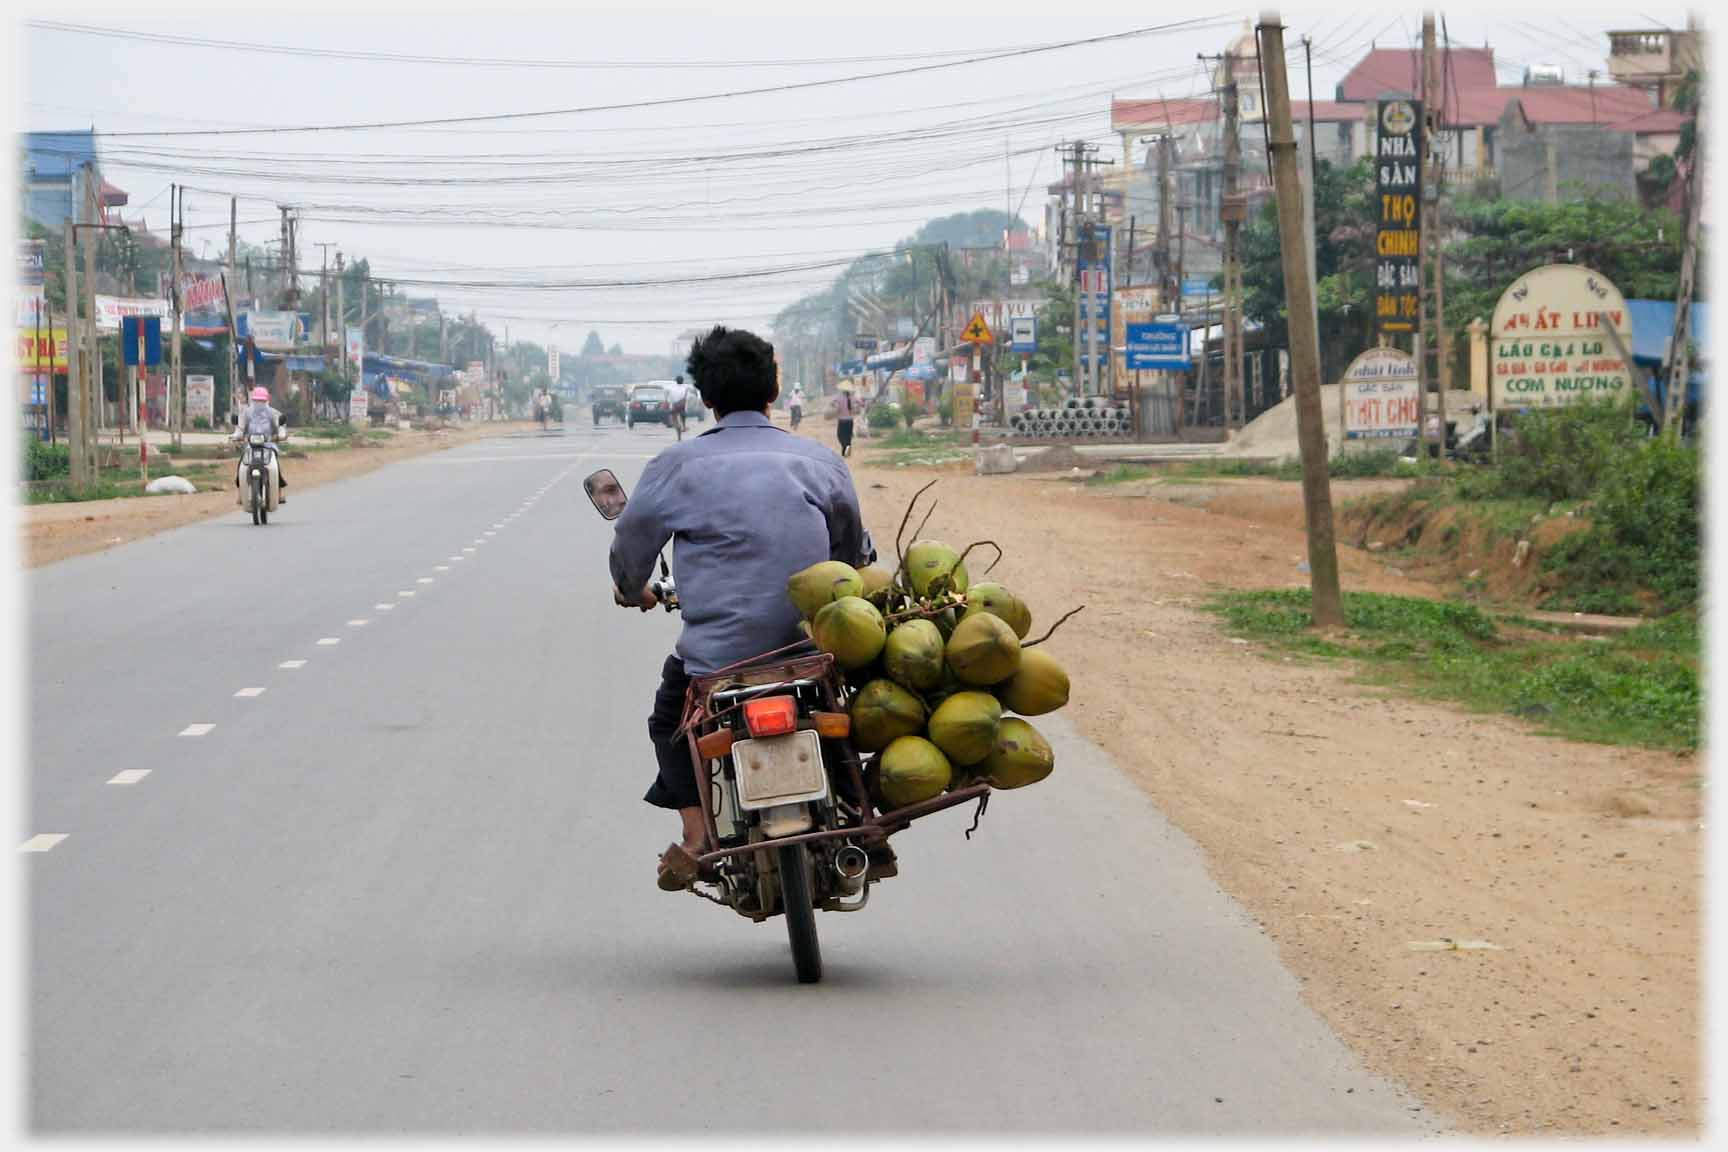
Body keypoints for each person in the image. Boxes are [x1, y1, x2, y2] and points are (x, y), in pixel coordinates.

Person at [608, 326, 874, 891]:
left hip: (717, 663)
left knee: (666, 720)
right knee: (849, 708)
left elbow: (632, 547)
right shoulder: (819, 463)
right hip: (809, 650)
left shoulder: (675, 466)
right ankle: (861, 817)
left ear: (704, 397)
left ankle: (698, 833)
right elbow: (851, 557)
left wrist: (634, 590)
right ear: (773, 390)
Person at [231, 386, 287, 501]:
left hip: (268, 445)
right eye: (256, 400)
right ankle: (241, 493)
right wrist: (237, 435)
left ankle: (279, 491)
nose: (259, 403)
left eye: (261, 400)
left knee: (275, 463)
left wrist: (280, 435)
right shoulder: (246, 413)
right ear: (252, 400)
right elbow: (240, 428)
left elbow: (280, 426)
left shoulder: (273, 413)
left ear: (267, 400)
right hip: (250, 445)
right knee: (242, 463)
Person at [833, 382, 858, 457]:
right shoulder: (853, 397)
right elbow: (860, 403)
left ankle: (844, 449)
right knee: (848, 437)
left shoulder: (839, 397)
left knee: (840, 436)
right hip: (850, 420)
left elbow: (832, 403)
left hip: (842, 420)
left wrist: (834, 405)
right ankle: (847, 453)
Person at [666, 374, 691, 439]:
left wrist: (671, 407)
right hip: (682, 407)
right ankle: (684, 426)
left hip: (674, 406)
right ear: (683, 381)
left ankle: (678, 429)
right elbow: (687, 399)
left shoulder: (672, 389)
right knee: (683, 418)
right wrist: (686, 408)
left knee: (675, 421)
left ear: (676, 381)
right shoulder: (685, 389)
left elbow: (669, 400)